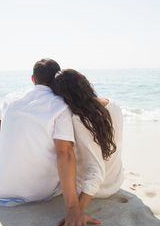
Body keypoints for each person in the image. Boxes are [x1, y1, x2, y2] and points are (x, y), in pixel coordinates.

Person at [0, 58, 100, 226]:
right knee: (69, 146)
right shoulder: (60, 106)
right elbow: (65, 154)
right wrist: (72, 209)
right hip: (41, 193)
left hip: (0, 190)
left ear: (32, 79)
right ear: (57, 80)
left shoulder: (10, 100)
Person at [51, 69, 124, 217]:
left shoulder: (79, 119)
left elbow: (96, 172)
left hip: (95, 189)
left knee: (61, 152)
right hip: (116, 181)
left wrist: (76, 211)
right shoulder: (114, 105)